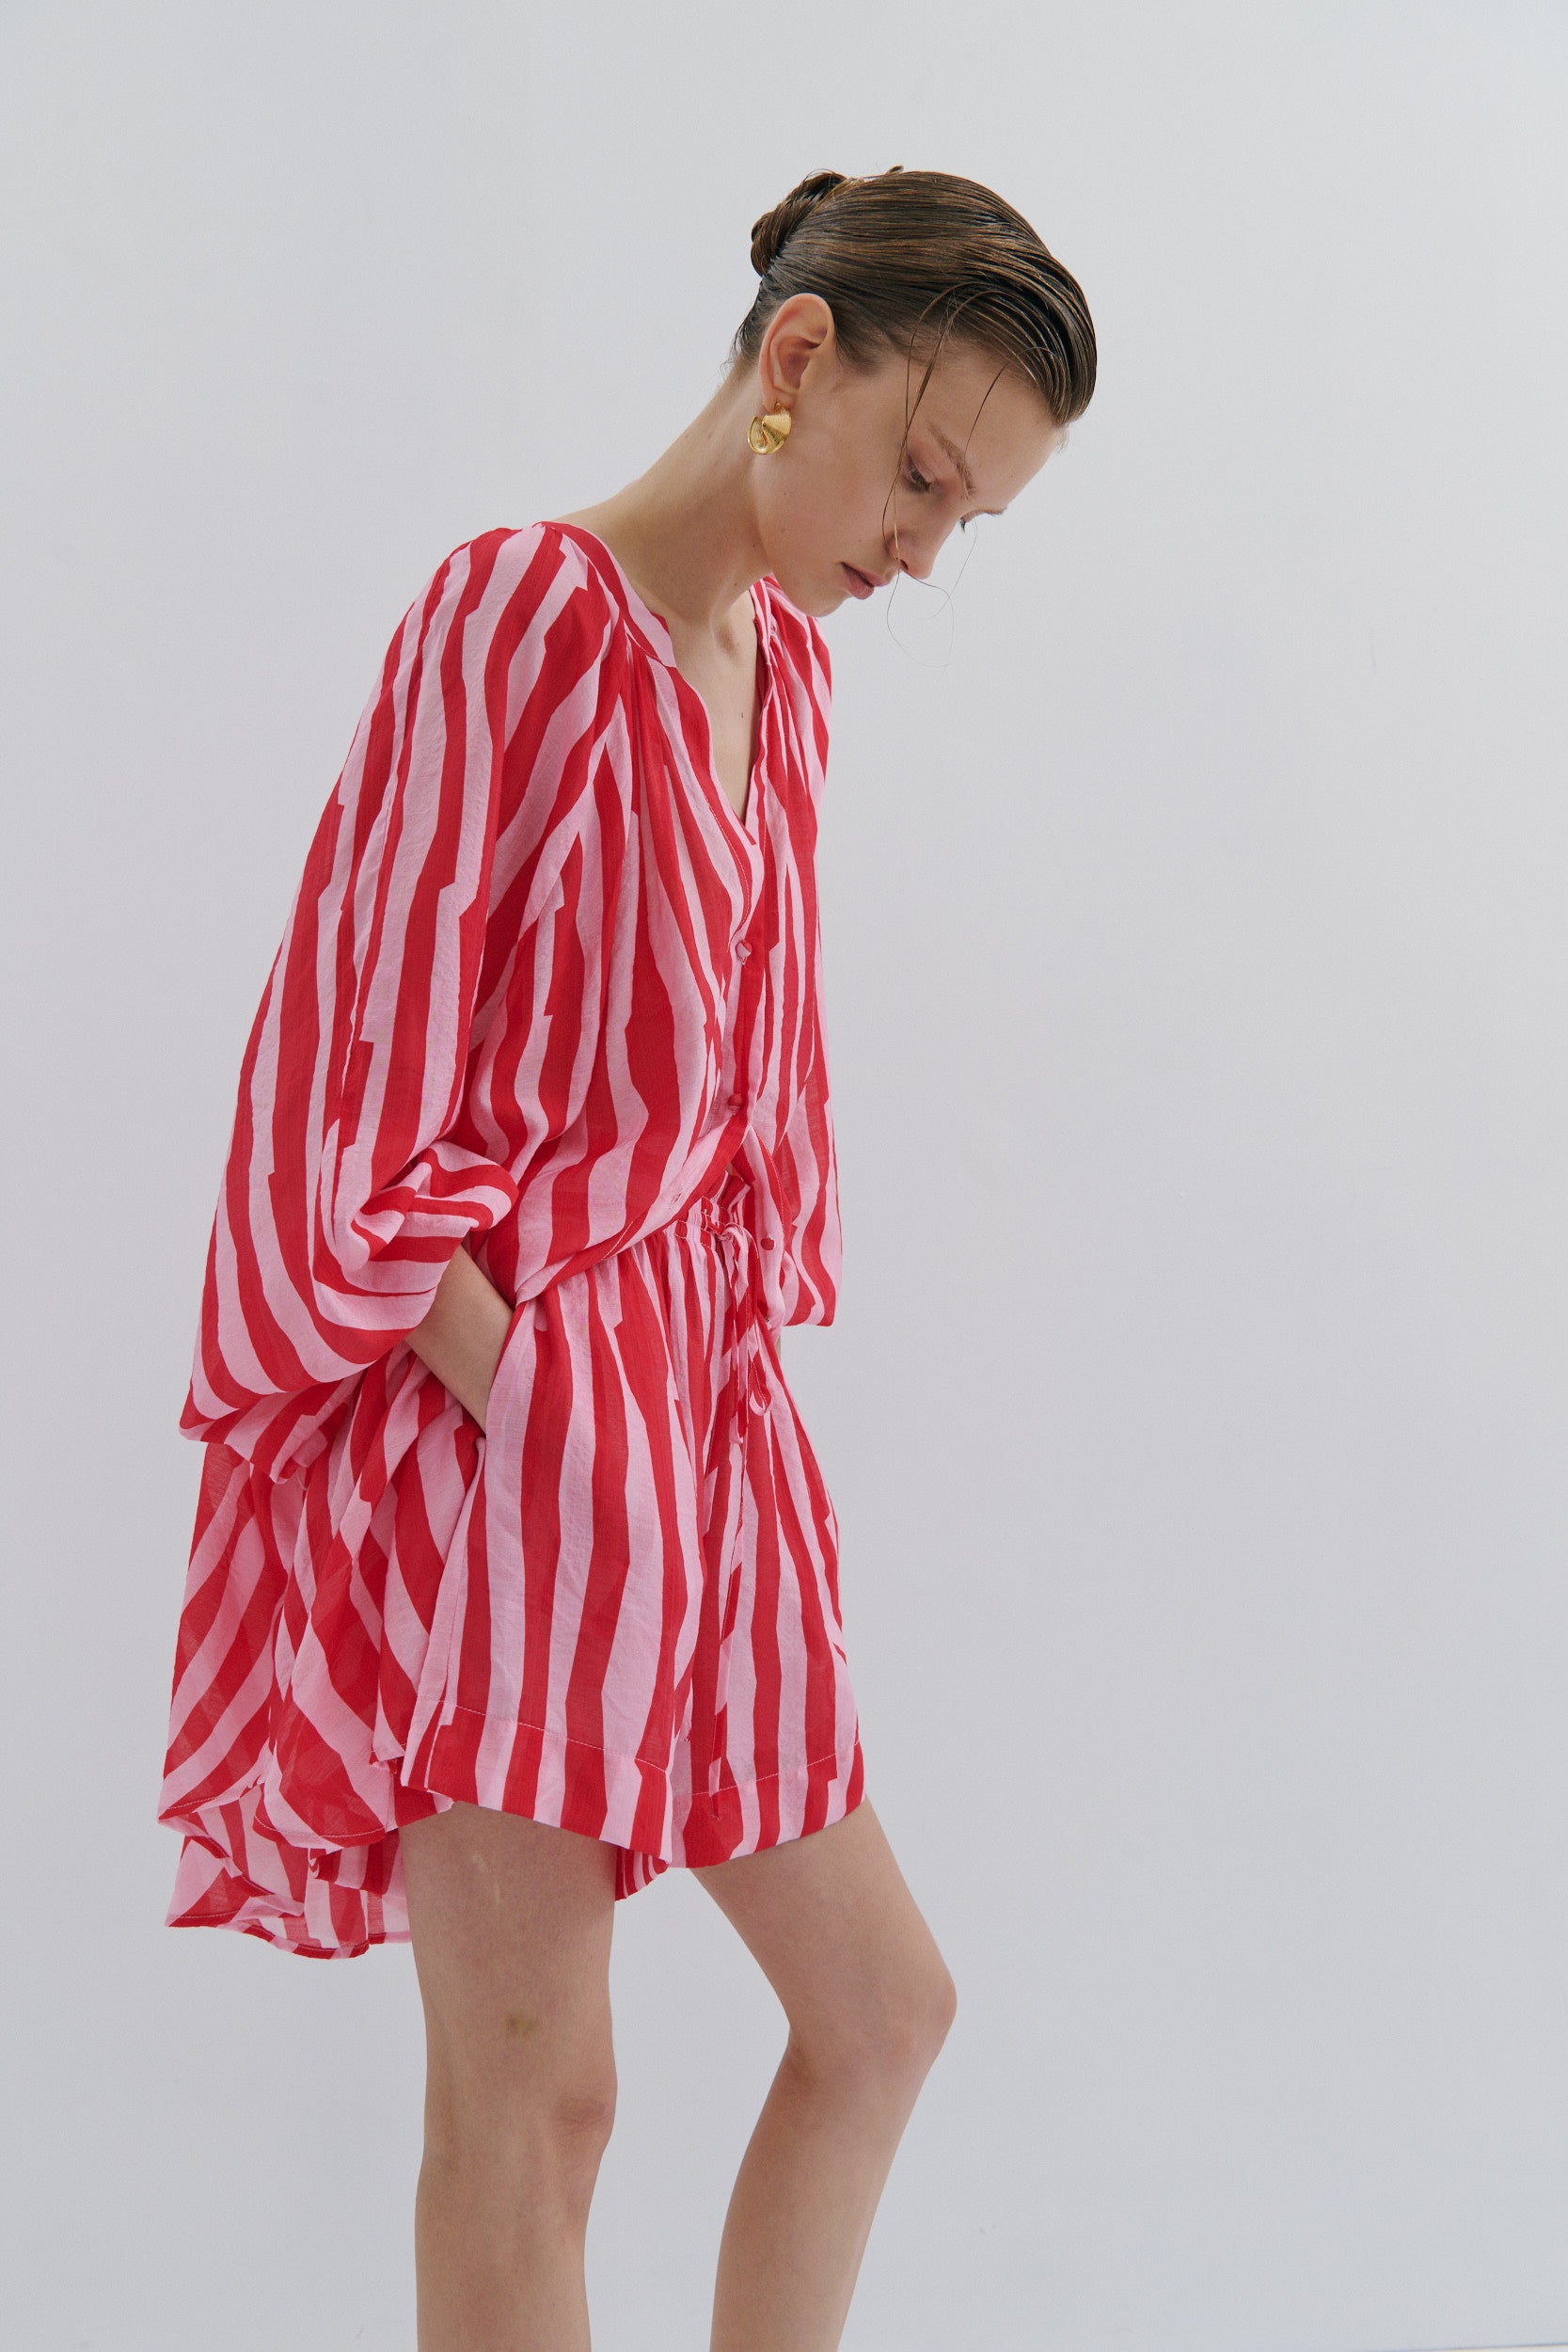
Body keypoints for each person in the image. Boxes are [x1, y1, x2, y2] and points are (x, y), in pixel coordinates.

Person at [159, 163, 1095, 2352]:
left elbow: (732, 1127)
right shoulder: (518, 615)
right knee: (537, 2107)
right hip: (502, 1444)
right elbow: (346, 1107)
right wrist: (542, 1403)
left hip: (704, 1429)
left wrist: (701, 1433)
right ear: (800, 359)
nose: (922, 551)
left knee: (882, 2009)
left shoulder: (785, 679)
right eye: (922, 476)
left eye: (968, 520)